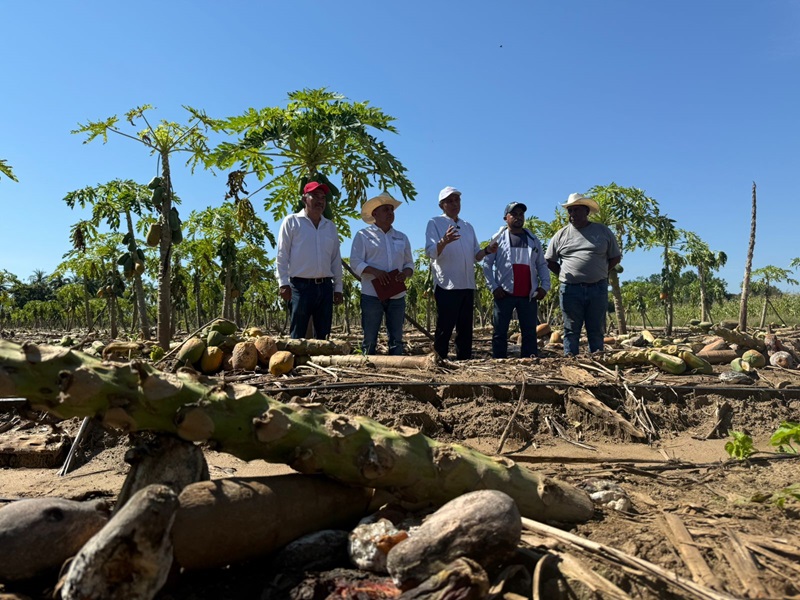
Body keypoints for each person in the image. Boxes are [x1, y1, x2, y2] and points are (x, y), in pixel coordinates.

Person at [425, 186, 498, 360]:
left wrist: (487, 250)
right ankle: (439, 359)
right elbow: (430, 252)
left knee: (465, 327)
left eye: (457, 200)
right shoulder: (435, 223)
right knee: (445, 326)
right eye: (449, 201)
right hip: (447, 284)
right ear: (442, 205)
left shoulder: (467, 226)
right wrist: (444, 241)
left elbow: (476, 255)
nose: (454, 204)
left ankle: (464, 359)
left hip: (467, 283)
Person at [545, 193, 622, 356]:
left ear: (586, 211)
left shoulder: (602, 231)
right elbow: (549, 260)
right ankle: (570, 361)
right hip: (570, 289)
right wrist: (564, 273)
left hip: (598, 288)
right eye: (570, 211)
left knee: (596, 329)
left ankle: (597, 361)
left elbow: (615, 256)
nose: (573, 214)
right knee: (571, 330)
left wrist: (601, 270)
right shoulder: (561, 235)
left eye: (577, 210)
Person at [276, 181, 343, 340]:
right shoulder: (291, 222)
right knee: (297, 334)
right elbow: (282, 254)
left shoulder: (330, 226)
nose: (320, 200)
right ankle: (294, 364)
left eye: (323, 197)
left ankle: (322, 362)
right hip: (300, 287)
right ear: (304, 199)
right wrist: (283, 283)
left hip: (325, 287)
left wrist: (338, 287)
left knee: (324, 335)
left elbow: (335, 259)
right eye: (315, 196)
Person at [483, 202, 550, 358]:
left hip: (528, 294)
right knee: (500, 332)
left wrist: (544, 287)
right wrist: (493, 287)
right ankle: (499, 361)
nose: (518, 217)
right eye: (514, 214)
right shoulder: (498, 238)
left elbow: (541, 264)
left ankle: (530, 360)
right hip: (504, 293)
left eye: (521, 214)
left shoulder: (533, 240)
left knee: (529, 333)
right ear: (506, 218)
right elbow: (487, 264)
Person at [350, 192, 414, 355]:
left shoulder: (402, 237)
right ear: (374, 214)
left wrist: (405, 273)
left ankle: (396, 366)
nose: (390, 213)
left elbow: (409, 263)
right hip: (372, 293)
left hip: (396, 294)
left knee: (397, 338)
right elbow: (355, 262)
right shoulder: (363, 236)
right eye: (385, 210)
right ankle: (367, 367)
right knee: (370, 337)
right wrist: (375, 272)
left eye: (391, 210)